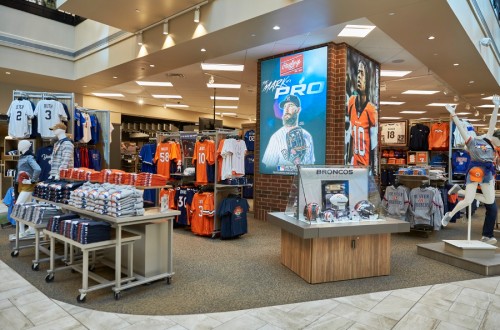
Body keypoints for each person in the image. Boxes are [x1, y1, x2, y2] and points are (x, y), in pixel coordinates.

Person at [441, 94, 500, 245]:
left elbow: (492, 124)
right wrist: (453, 114)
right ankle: (450, 213)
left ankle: (459, 191)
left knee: (490, 200)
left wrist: (496, 107)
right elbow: (460, 129)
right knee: (468, 200)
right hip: (475, 170)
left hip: (488, 171)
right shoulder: (471, 141)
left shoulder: (489, 139)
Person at [261, 94, 314, 169]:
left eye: (290, 105)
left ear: (298, 110)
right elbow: (269, 168)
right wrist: (287, 169)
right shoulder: (276, 137)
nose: (286, 109)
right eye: (285, 106)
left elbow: (311, 164)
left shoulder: (307, 136)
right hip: (285, 178)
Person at [346, 60, 378, 174]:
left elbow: (374, 147)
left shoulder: (371, 110)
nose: (359, 77)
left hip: (365, 169)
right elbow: (351, 135)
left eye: (362, 73)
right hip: (353, 166)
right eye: (358, 73)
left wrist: (372, 172)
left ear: (367, 79)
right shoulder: (351, 101)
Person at [9, 140, 41, 240]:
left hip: (28, 186)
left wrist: (32, 180)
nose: (19, 145)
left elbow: (38, 169)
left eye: (21, 144)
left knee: (18, 206)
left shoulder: (29, 157)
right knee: (28, 206)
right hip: (22, 185)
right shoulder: (23, 157)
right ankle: (31, 229)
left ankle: (22, 231)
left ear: (26, 146)